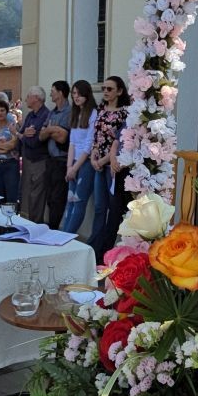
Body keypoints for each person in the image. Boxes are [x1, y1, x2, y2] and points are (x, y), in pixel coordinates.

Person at [86, 76, 130, 261]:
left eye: (109, 89)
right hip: (99, 163)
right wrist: (94, 155)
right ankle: (94, 249)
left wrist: (103, 160)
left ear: (119, 91)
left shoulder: (124, 113)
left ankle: (107, 251)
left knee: (113, 209)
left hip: (112, 165)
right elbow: (97, 136)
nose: (105, 91)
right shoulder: (101, 110)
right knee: (99, 208)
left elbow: (119, 141)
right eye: (104, 88)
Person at [61, 80, 98, 234]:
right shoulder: (76, 114)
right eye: (74, 93)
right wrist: (69, 167)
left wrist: (75, 168)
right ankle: (63, 234)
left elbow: (88, 145)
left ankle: (68, 236)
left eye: (79, 93)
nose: (76, 97)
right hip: (74, 163)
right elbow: (72, 142)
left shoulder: (93, 113)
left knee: (78, 200)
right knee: (70, 200)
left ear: (86, 94)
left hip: (85, 163)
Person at [18, 86, 52, 222]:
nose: (26, 99)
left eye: (28, 96)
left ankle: (36, 226)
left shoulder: (46, 115)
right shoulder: (30, 115)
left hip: (40, 161)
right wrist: (23, 136)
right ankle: (28, 224)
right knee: (26, 196)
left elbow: (35, 141)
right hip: (28, 159)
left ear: (36, 98)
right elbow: (23, 134)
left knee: (37, 197)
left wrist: (22, 136)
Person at [42, 80, 72, 229]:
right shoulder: (52, 112)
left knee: (58, 198)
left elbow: (63, 137)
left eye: (52, 91)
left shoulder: (69, 112)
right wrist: (52, 130)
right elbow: (41, 135)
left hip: (62, 161)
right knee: (49, 197)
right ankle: (51, 227)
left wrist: (49, 130)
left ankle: (54, 228)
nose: (50, 94)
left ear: (60, 93)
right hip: (51, 160)